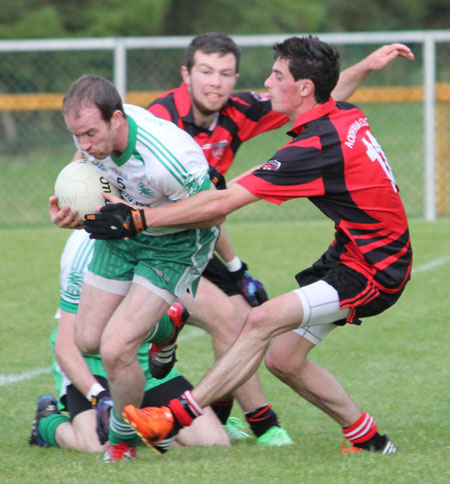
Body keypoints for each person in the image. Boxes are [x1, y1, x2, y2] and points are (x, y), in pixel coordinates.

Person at [85, 35, 413, 455]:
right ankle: (368, 440)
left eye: (276, 76)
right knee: (283, 358)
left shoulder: (317, 146)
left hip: (375, 267)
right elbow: (285, 154)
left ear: (305, 88)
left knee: (259, 320)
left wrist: (136, 218)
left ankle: (173, 417)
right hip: (351, 252)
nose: (267, 82)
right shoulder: (343, 115)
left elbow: (224, 203)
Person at [49, 74, 222, 461]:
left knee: (115, 349)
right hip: (128, 233)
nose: (85, 146)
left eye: (91, 134)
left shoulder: (166, 157)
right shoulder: (94, 145)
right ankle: (167, 324)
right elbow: (99, 187)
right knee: (88, 339)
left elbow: (214, 208)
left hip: (176, 245)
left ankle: (122, 439)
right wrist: (75, 213)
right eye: (77, 136)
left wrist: (140, 220)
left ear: (116, 119)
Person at [28, 230, 229, 459]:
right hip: (91, 364)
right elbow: (66, 345)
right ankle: (47, 423)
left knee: (213, 442)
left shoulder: (159, 230)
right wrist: (98, 396)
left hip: (140, 359)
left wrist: (234, 271)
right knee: (97, 445)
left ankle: (134, 419)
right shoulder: (84, 248)